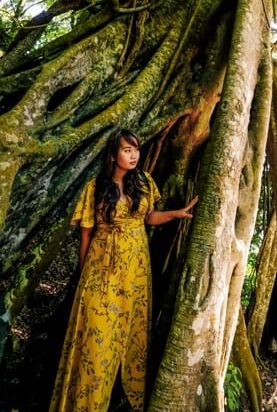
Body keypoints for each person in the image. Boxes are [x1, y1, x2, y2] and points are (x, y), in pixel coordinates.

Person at [49, 128, 198, 412]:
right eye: (127, 150)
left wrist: (175, 214)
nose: (133, 155)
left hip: (135, 273)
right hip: (101, 270)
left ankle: (122, 399)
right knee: (96, 339)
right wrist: (83, 274)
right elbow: (85, 235)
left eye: (136, 149)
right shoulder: (95, 187)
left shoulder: (143, 183)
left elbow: (149, 217)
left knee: (131, 336)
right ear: (114, 154)